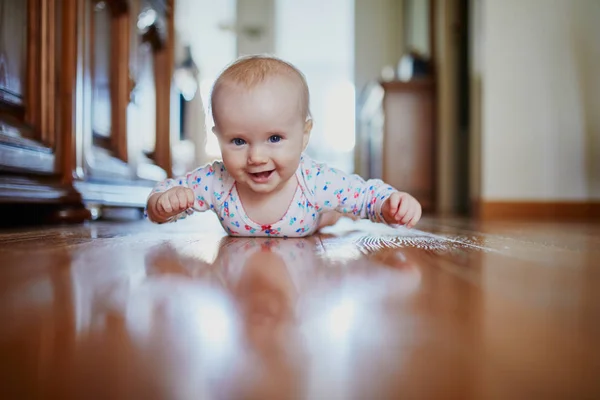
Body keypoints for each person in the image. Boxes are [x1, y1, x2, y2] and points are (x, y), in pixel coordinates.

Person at [145, 55, 422, 237]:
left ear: (304, 135)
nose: (256, 157)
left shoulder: (314, 180)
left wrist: (388, 205)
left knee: (332, 212)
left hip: (310, 214)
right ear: (218, 137)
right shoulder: (216, 180)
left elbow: (363, 195)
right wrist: (163, 204)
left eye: (274, 138)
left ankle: (333, 214)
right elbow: (163, 194)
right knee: (329, 208)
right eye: (239, 141)